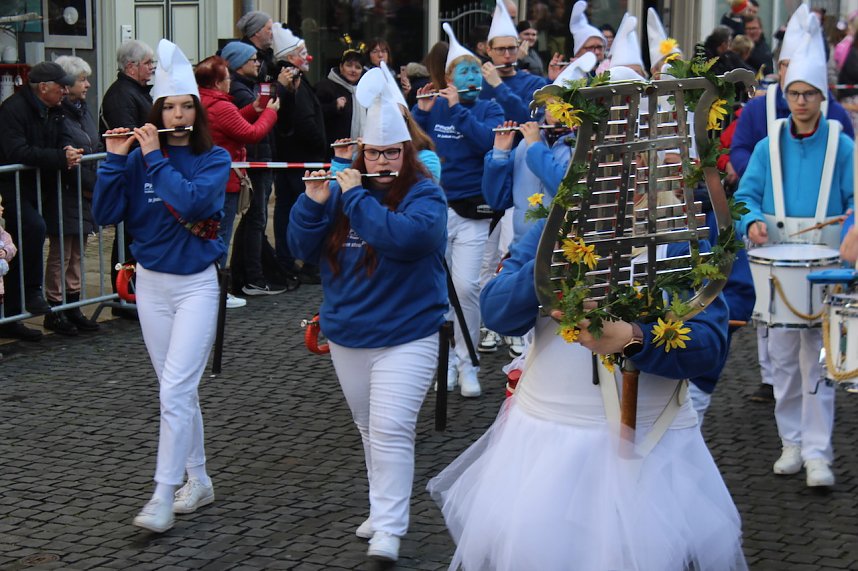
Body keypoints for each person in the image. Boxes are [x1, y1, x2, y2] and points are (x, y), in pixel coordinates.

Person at [428, 220, 747, 570]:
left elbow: (709, 347)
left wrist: (634, 338)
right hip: (546, 448)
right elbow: (498, 312)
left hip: (653, 449)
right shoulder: (552, 229)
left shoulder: (683, 240)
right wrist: (550, 266)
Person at [287, 69, 447, 564]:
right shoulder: (339, 188)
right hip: (349, 332)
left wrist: (354, 195)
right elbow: (299, 249)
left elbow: (406, 241)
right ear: (362, 152)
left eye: (391, 153)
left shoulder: (425, 194)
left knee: (392, 428)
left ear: (406, 153)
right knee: (368, 427)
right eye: (374, 153)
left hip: (409, 333)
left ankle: (390, 530)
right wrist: (313, 204)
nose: (382, 161)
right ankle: (382, 511)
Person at [93, 39, 231, 532]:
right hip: (151, 285)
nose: (176, 115)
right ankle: (199, 479)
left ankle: (162, 493)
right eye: (167, 107)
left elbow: (194, 204)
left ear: (196, 110)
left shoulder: (213, 159)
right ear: (156, 110)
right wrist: (114, 159)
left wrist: (153, 159)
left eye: (184, 107)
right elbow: (105, 216)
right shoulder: (133, 159)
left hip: (196, 285)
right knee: (177, 392)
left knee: (174, 389)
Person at [734, 24, 853, 488]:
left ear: (822, 98)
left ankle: (819, 453)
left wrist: (851, 229)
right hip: (779, 266)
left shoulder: (843, 146)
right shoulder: (767, 146)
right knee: (783, 360)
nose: (801, 102)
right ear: (786, 95)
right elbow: (745, 195)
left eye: (810, 94)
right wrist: (750, 221)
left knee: (819, 363)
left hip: (825, 266)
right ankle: (792, 442)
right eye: (795, 94)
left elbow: (856, 199)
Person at [412, 28, 504, 397]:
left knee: (466, 288)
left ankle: (468, 364)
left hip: (472, 212)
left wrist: (456, 112)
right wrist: (420, 112)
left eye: (475, 73)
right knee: (436, 289)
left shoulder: (489, 107)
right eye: (463, 73)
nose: (471, 79)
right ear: (447, 79)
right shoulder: (434, 107)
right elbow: (415, 148)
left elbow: (486, 142)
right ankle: (444, 362)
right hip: (434, 210)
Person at [0, 61, 79, 341]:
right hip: (15, 185)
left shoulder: (55, 109)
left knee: (32, 237)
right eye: (61, 86)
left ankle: (12, 313)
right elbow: (16, 150)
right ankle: (31, 293)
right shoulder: (13, 110)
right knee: (31, 230)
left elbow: (64, 134)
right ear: (43, 87)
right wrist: (59, 157)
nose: (65, 91)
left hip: (41, 183)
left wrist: (67, 148)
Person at [195, 51, 279, 307]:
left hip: (209, 177)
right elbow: (250, 133)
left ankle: (208, 289)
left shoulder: (203, 100)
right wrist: (270, 113)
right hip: (225, 181)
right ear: (219, 81)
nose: (230, 81)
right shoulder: (220, 105)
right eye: (226, 77)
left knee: (210, 236)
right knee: (220, 237)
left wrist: (253, 109)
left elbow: (232, 124)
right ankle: (216, 292)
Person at [229, 22, 294, 296]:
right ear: (238, 63)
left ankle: (248, 273)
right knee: (255, 219)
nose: (257, 63)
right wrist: (277, 90)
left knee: (254, 220)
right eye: (252, 59)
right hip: (253, 159)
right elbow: (259, 117)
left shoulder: (250, 85)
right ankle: (251, 277)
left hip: (261, 156)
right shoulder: (240, 89)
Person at [42, 55, 101, 336]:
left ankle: (73, 304)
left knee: (78, 250)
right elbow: (67, 152)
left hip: (85, 188)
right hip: (67, 190)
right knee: (61, 253)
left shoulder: (82, 110)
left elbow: (94, 144)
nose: (87, 84)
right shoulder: (59, 115)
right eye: (82, 80)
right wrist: (90, 180)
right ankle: (55, 306)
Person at [100, 39, 156, 320]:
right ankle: (126, 292)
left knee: (135, 236)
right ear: (131, 67)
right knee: (126, 239)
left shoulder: (138, 92)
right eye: (148, 63)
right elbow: (129, 136)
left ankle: (136, 292)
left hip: (142, 172)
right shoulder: (121, 95)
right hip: (132, 174)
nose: (152, 68)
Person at [272, 23, 327, 284]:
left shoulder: (299, 83)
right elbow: (304, 121)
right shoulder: (294, 84)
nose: (307, 56)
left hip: (295, 157)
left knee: (287, 208)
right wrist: (320, 144)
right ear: (291, 57)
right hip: (300, 158)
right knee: (297, 210)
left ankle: (289, 260)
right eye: (302, 51)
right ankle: (296, 260)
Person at [479, 0, 551, 123]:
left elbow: (528, 119)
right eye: (501, 49)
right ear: (489, 50)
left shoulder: (534, 83)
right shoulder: (478, 82)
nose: (507, 55)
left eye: (512, 48)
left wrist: (498, 85)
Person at [316, 41, 366, 152]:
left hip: (359, 152)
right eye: (349, 65)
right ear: (341, 67)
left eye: (358, 67)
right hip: (332, 151)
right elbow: (316, 114)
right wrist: (334, 107)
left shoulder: (365, 92)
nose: (353, 70)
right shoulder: (325, 86)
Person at [0, 195, 17, 322]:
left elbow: (11, 246)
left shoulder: (1, 231)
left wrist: (5, 252)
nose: (2, 208)